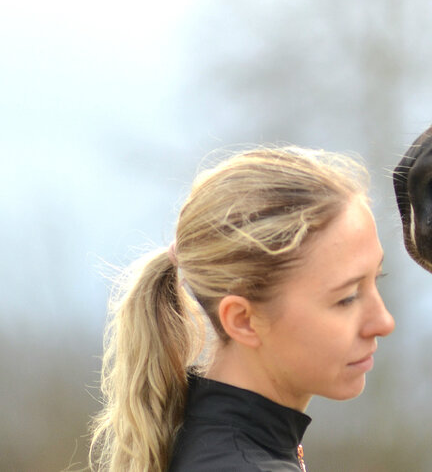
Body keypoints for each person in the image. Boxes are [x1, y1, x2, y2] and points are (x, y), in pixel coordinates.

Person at [89, 146, 396, 472]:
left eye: (376, 278)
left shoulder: (204, 443)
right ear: (243, 320)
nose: (383, 321)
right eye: (347, 297)